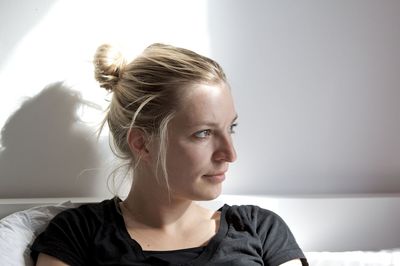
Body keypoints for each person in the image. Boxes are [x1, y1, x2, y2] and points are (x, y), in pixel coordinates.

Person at [30, 43, 308, 266]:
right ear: (142, 144)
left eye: (230, 128)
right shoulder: (77, 235)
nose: (230, 154)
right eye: (203, 133)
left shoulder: (260, 230)